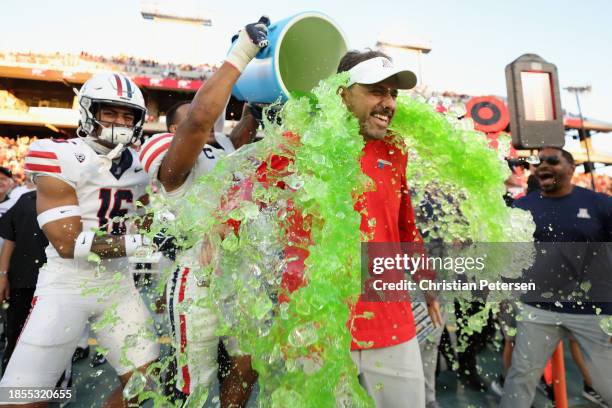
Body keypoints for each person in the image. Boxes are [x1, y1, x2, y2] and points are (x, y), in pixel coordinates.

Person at [0, 72, 160, 407]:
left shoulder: (142, 164)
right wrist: (140, 244)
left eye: (127, 115)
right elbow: (68, 244)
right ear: (90, 112)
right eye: (110, 112)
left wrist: (158, 225)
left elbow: (143, 216)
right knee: (23, 397)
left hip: (118, 284)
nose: (119, 121)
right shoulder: (58, 154)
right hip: (67, 284)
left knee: (147, 384)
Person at [141, 97, 258, 405]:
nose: (208, 121)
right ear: (177, 130)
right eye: (195, 119)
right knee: (194, 382)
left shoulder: (222, 146)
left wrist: (253, 106)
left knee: (248, 366)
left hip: (235, 274)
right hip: (196, 277)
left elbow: (242, 133)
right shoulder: (166, 152)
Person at [500, 147, 612, 407]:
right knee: (522, 376)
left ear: (572, 168)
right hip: (538, 308)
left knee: (607, 380)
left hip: (591, 309)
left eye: (552, 161)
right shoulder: (522, 207)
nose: (543, 166)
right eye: (538, 162)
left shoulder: (599, 204)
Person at [0, 188, 48, 372]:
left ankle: (56, 392)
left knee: (50, 341)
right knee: (15, 338)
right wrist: (3, 275)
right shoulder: (25, 198)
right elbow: (10, 238)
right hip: (22, 281)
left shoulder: (74, 197)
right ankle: (11, 393)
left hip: (55, 283)